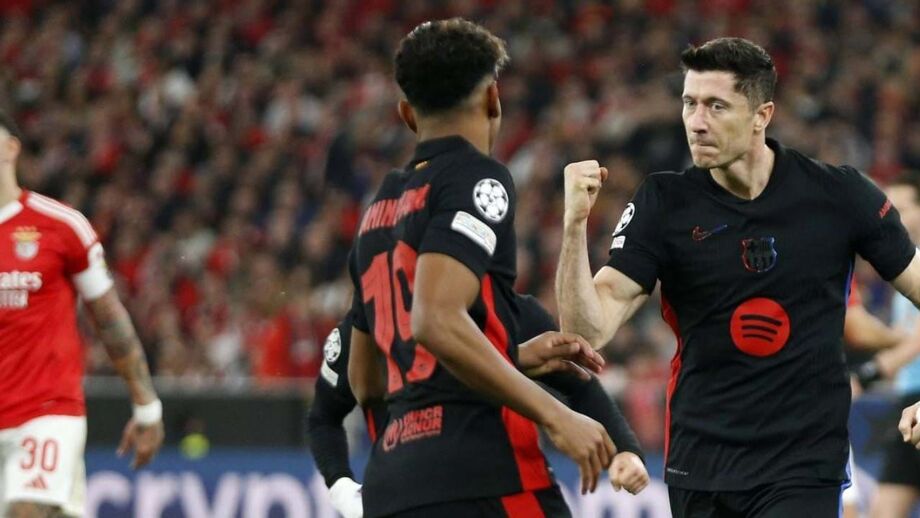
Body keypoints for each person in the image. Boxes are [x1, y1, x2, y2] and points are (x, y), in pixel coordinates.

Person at [556, 36, 920, 517]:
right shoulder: (663, 203)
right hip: (700, 464)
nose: (696, 121)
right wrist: (574, 227)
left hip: (802, 466)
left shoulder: (838, 195)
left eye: (716, 106)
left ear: (761, 115)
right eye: (689, 103)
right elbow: (586, 330)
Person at [347, 18, 617, 518]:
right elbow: (435, 319)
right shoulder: (478, 178)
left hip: (391, 488)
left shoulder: (378, 208)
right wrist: (556, 414)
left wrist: (510, 356)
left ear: (406, 114)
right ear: (494, 97)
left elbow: (365, 382)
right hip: (483, 473)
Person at [309, 296, 649, 518]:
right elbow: (324, 417)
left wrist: (626, 450)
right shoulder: (367, 324)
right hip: (412, 492)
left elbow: (580, 384)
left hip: (499, 483)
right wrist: (342, 490)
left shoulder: (512, 311)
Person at [0, 112, 164, 517]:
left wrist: (146, 406)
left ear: (11, 148)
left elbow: (108, 317)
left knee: (26, 511)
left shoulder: (60, 226)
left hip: (45, 411)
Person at [870, 179, 920, 518]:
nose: (895, 215)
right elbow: (903, 336)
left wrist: (868, 374)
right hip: (906, 401)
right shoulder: (903, 266)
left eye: (904, 206)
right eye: (890, 207)